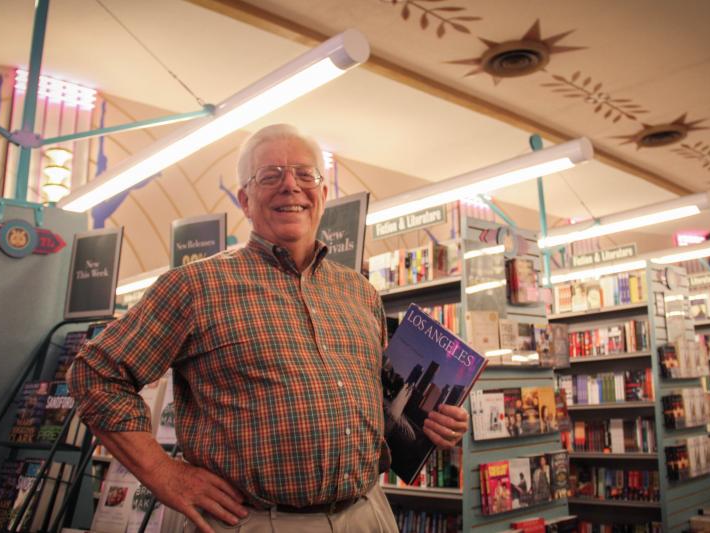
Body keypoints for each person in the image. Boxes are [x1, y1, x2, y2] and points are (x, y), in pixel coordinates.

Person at [67, 124, 469, 533]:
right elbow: (95, 374)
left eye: (304, 174)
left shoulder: (360, 292)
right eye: (270, 175)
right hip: (252, 522)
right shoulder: (194, 286)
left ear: (323, 194)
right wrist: (163, 474)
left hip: (367, 514)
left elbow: (374, 405)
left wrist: (429, 426)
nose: (290, 186)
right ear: (245, 199)